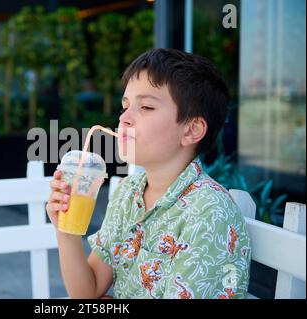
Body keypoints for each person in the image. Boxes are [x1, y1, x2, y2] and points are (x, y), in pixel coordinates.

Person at [46, 48, 251, 299]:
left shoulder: (208, 213)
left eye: (145, 107)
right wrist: (65, 230)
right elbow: (86, 293)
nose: (124, 118)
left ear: (191, 130)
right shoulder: (128, 192)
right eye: (125, 106)